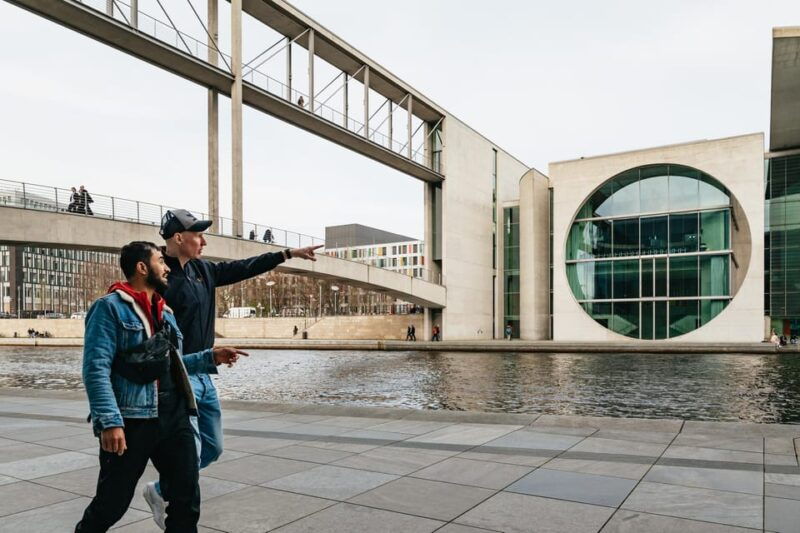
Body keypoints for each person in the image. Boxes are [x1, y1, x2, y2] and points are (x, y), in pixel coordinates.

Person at [142, 209, 321, 526]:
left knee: (212, 448)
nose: (204, 242)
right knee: (188, 453)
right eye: (198, 235)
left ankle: (160, 489)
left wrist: (286, 254)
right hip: (179, 377)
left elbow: (244, 267)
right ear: (179, 238)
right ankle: (179, 514)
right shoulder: (159, 277)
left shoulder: (203, 270)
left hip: (205, 375)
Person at [75, 241, 246, 533]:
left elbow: (170, 364)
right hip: (133, 419)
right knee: (111, 504)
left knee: (186, 499)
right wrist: (110, 422)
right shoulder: (109, 308)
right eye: (160, 261)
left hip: (174, 416)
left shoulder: (165, 311)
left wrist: (210, 357)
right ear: (142, 267)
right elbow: (95, 368)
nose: (167, 268)